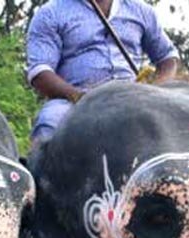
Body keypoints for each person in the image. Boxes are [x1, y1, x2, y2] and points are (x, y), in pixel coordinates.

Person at [26, 0, 179, 144]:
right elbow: (40, 71)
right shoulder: (50, 13)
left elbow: (168, 58)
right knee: (49, 121)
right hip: (73, 102)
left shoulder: (142, 11)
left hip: (134, 97)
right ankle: (38, 171)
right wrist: (80, 97)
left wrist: (156, 91)